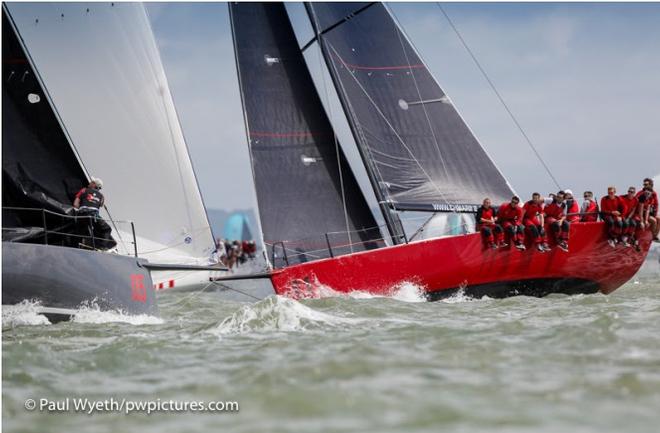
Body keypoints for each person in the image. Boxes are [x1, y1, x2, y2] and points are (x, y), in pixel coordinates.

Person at [72, 177, 116, 250]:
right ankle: (102, 247)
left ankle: (76, 246)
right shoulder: (102, 196)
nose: (90, 182)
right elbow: (101, 204)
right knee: (107, 229)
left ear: (94, 184)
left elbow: (75, 204)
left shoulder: (84, 190)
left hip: (82, 215)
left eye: (92, 182)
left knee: (79, 232)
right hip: (93, 216)